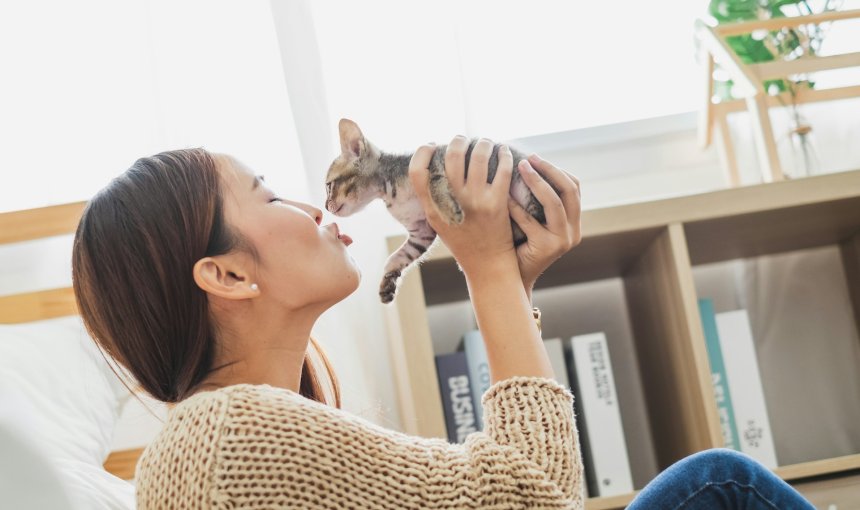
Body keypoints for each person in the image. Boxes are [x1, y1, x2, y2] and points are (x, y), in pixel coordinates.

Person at [71, 138, 815, 509]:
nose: (313, 208)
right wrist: (489, 272)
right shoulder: (223, 438)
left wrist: (510, 282)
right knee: (721, 486)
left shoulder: (231, 432)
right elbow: (529, 501)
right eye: (267, 197)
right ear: (227, 274)